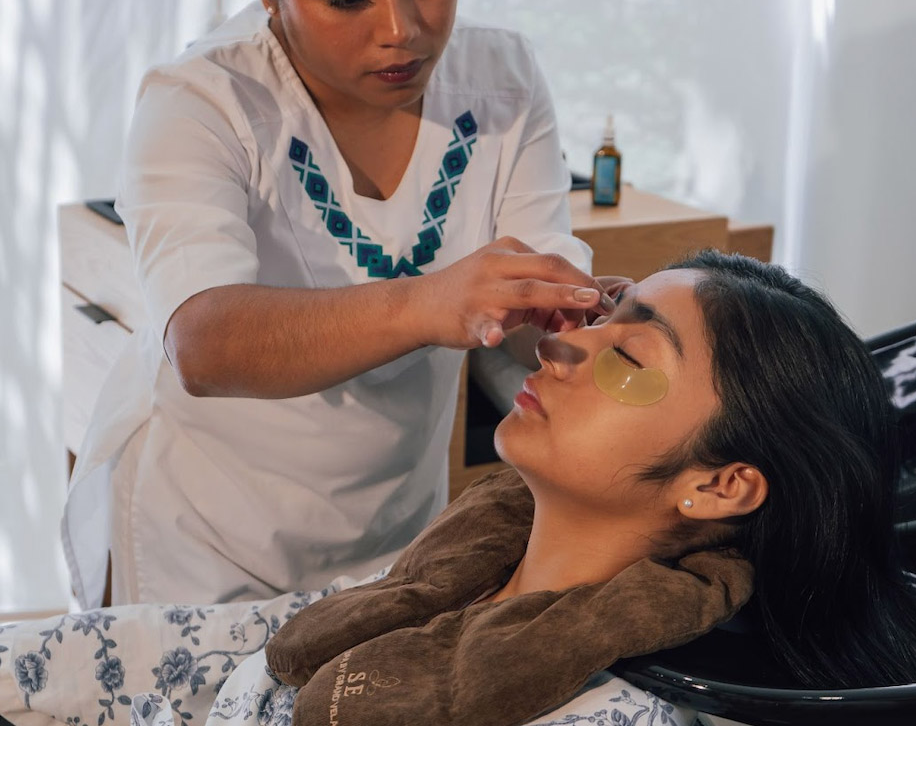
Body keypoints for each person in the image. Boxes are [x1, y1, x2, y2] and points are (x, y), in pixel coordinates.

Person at [61, 0, 619, 612]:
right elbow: (206, 343)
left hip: (400, 532)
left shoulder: (502, 83)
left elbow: (523, 306)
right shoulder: (203, 100)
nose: (402, 29)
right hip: (205, 539)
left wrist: (584, 328)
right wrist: (432, 303)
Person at [12, 251, 913, 727]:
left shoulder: (608, 727)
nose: (563, 347)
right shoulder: (463, 569)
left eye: (630, 359)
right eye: (600, 318)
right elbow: (229, 643)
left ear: (720, 486)